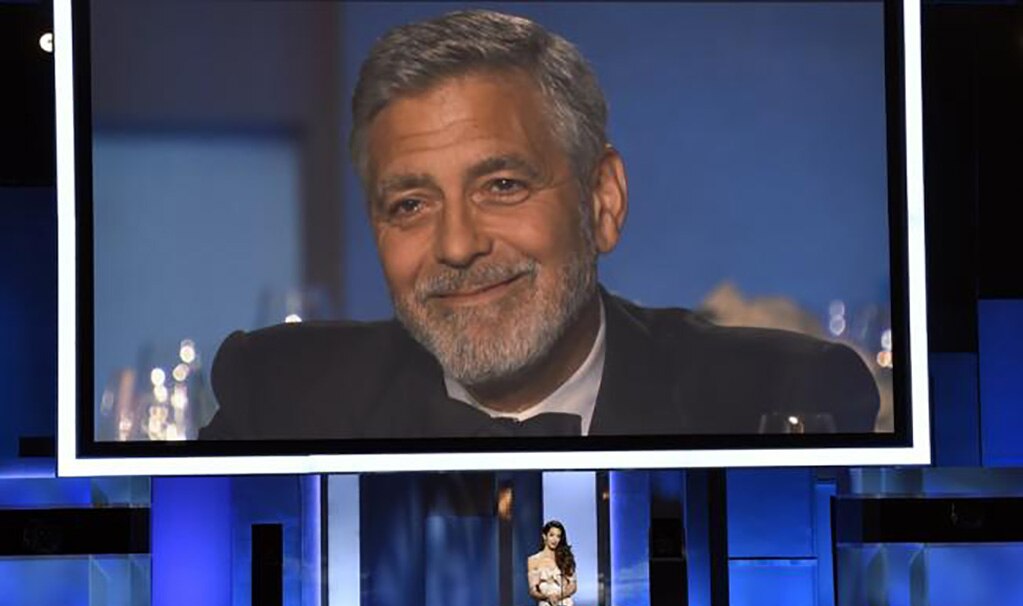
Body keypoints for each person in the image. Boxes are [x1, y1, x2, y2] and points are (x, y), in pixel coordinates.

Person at [199, 9, 879, 441]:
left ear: (601, 201)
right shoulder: (279, 400)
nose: (457, 245)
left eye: (502, 186)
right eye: (410, 204)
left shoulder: (777, 400)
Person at [528, 521, 577, 606]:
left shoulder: (566, 558)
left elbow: (573, 586)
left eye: (558, 536)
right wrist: (548, 597)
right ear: (544, 536)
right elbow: (533, 591)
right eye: (551, 535)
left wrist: (558, 597)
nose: (555, 540)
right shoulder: (533, 560)